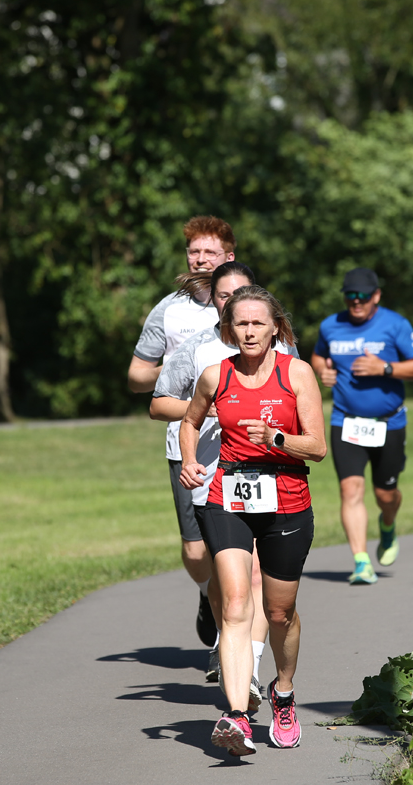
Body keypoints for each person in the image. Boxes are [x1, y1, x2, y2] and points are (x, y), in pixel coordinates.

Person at [180, 285, 326, 756]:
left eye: (257, 322)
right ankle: (238, 715)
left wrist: (278, 437)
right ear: (229, 329)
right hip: (229, 494)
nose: (248, 331)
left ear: (275, 328)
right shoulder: (214, 377)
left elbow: (318, 447)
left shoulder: (297, 374)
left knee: (280, 612)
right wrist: (188, 459)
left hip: (287, 496)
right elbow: (189, 421)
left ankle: (283, 692)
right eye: (240, 323)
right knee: (236, 606)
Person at [150, 262, 296, 709]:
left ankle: (248, 674)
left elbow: (298, 410)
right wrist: (208, 413)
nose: (235, 309)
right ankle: (223, 637)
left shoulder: (283, 346)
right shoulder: (196, 350)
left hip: (266, 474)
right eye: (224, 299)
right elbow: (159, 404)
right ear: (214, 303)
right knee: (215, 574)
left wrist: (279, 437)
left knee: (253, 578)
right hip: (212, 472)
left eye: (243, 298)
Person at [128, 216, 236, 653]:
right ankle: (207, 593)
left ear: (229, 256)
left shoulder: (248, 303)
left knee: (236, 548)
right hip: (187, 440)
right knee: (196, 550)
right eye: (195, 252)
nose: (201, 259)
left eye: (210, 252)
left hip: (244, 441)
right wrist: (180, 367)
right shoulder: (170, 310)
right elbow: (137, 377)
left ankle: (228, 647)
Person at [311, 268, 413, 585]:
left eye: (363, 296)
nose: (356, 302)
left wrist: (385, 367)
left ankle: (388, 523)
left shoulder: (395, 324)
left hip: (388, 423)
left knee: (385, 494)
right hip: (345, 420)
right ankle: (361, 561)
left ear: (376, 296)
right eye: (350, 296)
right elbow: (318, 356)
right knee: (350, 489)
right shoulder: (330, 326)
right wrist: (323, 372)